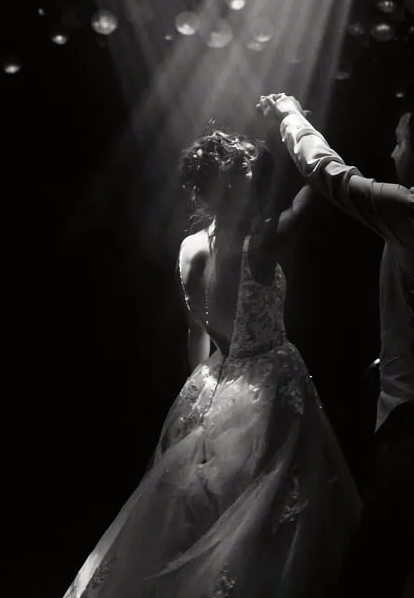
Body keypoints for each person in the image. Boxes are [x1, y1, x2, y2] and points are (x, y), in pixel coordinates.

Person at [62, 123, 361, 598]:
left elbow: (195, 329)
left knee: (207, 514)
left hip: (211, 381)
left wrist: (204, 406)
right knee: (268, 517)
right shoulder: (257, 244)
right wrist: (297, 124)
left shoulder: (190, 248)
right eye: (245, 176)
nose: (253, 183)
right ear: (230, 184)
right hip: (268, 384)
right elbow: (321, 189)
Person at [257, 92, 414, 598]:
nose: (392, 153)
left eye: (399, 142)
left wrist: (291, 116)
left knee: (375, 576)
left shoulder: (413, 207)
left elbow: (331, 175)